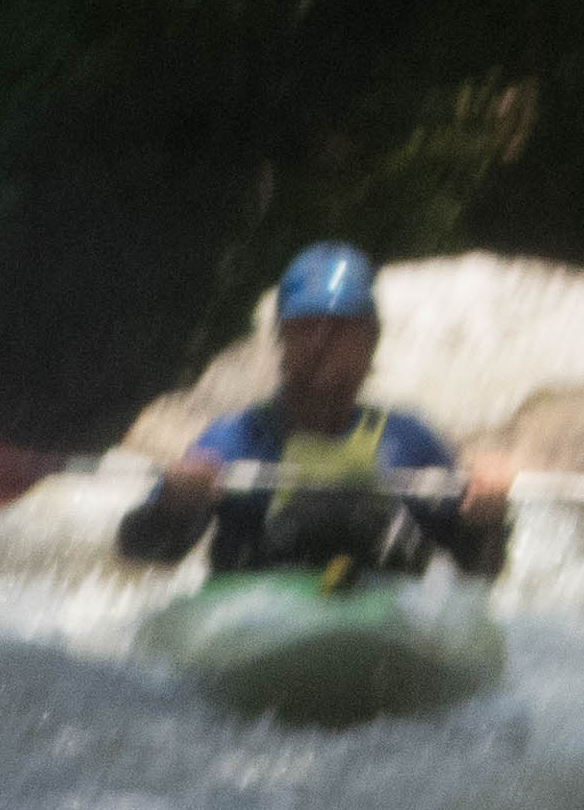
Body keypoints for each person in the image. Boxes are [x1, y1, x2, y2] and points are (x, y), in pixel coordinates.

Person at [119, 243, 513, 581]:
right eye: (306, 327)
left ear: (370, 341)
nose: (321, 342)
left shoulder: (411, 442)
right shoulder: (232, 440)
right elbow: (142, 552)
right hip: (262, 619)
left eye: (341, 328)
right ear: (282, 339)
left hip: (380, 624)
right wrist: (172, 505)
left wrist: (488, 516)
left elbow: (480, 567)